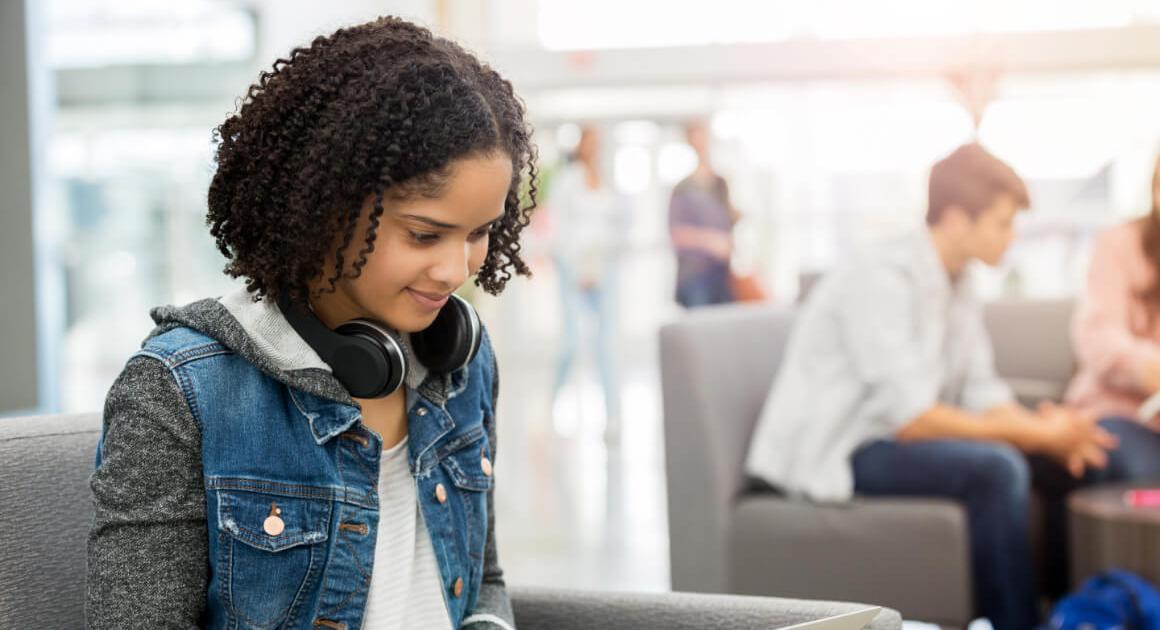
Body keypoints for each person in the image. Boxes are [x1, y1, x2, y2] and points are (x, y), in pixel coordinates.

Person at [86, 17, 536, 630]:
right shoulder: (181, 393)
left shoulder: (461, 361)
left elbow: (481, 581)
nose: (455, 270)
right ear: (328, 209)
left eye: (480, 232)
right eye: (425, 234)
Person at [745, 143, 1117, 630]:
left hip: (898, 433)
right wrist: (1033, 435)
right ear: (958, 218)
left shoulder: (958, 281)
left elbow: (983, 392)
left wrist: (1048, 430)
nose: (1012, 237)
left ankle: (1071, 615)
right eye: (1003, 223)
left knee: (1066, 462)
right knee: (997, 470)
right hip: (849, 446)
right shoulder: (880, 274)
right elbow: (913, 418)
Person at [1066, 154, 1160, 480]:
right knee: (1144, 471)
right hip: (1122, 414)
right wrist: (1153, 370)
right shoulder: (1118, 244)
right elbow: (1101, 340)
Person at [546, 126, 629, 431]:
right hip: (574, 270)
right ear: (580, 145)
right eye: (589, 141)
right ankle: (553, 405)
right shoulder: (567, 181)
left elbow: (621, 225)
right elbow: (560, 228)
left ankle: (612, 417)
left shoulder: (609, 182)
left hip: (605, 270)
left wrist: (603, 263)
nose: (594, 147)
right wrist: (579, 268)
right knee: (570, 342)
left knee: (606, 345)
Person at [668, 120, 740, 308]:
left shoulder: (720, 183)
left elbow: (728, 220)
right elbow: (677, 233)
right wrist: (711, 241)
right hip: (695, 276)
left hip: (722, 273)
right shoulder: (683, 188)